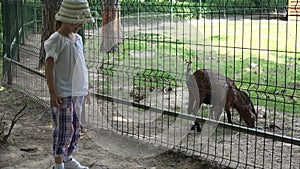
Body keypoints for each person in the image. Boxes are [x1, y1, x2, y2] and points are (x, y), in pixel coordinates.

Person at [44, 0, 94, 168]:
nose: (78, 25)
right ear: (64, 18)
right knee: (64, 131)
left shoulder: (78, 39)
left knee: (76, 129)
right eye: (75, 20)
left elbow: (81, 65)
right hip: (63, 94)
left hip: (78, 93)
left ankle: (68, 159)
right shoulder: (56, 39)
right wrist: (52, 92)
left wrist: (86, 88)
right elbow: (49, 65)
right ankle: (58, 164)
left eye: (81, 21)